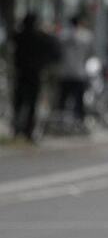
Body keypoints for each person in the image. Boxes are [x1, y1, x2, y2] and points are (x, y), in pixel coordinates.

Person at [12, 13, 59, 142]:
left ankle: (17, 129)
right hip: (34, 74)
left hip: (21, 73)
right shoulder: (39, 37)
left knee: (19, 103)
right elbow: (53, 47)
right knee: (31, 104)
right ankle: (28, 130)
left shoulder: (20, 36)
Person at [55, 14, 93, 124]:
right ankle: (79, 121)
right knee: (79, 100)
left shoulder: (62, 35)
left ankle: (60, 121)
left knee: (62, 99)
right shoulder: (86, 36)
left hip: (64, 72)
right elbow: (89, 53)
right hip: (79, 73)